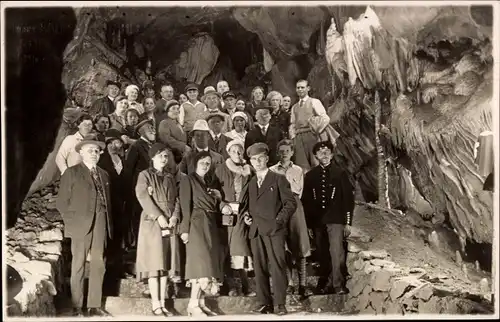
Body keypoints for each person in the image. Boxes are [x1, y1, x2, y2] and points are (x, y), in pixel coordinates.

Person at [56, 134, 113, 317]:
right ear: (80, 152)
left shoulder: (104, 174)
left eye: (97, 151)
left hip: (101, 221)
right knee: (78, 264)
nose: (94, 153)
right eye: (90, 150)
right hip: (80, 224)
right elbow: (62, 203)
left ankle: (94, 305)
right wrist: (71, 224)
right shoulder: (72, 172)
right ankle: (77, 306)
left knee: (98, 263)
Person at [240, 143, 296, 316]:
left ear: (266, 159)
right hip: (256, 231)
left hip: (274, 231)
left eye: (260, 158)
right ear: (250, 162)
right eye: (254, 159)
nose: (257, 162)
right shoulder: (251, 183)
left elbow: (290, 203)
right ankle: (264, 302)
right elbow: (250, 206)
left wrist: (279, 221)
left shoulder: (278, 178)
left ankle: (280, 304)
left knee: (278, 266)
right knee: (259, 267)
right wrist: (247, 217)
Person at [302, 141, 354, 295]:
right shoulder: (311, 175)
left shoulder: (340, 173)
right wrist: (309, 224)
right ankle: (324, 284)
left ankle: (338, 285)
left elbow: (348, 200)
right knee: (322, 253)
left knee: (337, 252)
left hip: (336, 220)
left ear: (332, 154)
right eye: (320, 152)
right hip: (318, 222)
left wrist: (348, 222)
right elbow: (307, 201)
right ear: (316, 156)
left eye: (327, 152)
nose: (323, 155)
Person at [135, 143, 181, 317]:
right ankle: (155, 305)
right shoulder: (145, 175)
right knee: (155, 264)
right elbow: (142, 196)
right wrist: (158, 216)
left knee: (165, 265)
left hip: (169, 222)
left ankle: (163, 304)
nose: (164, 159)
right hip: (153, 223)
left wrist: (174, 216)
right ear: (152, 157)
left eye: (166, 156)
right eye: (160, 155)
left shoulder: (170, 177)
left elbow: (176, 198)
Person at [179, 151, 225, 317]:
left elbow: (215, 204)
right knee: (200, 264)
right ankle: (192, 304)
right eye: (203, 162)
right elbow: (185, 206)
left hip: (210, 224)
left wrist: (219, 198)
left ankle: (200, 302)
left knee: (208, 265)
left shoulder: (210, 182)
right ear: (196, 163)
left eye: (208, 163)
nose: (206, 165)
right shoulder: (188, 180)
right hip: (196, 224)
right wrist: (184, 230)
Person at [269, 139, 312, 299]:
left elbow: (299, 192)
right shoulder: (272, 170)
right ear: (277, 153)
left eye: (287, 151)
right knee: (283, 245)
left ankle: (303, 284)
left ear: (292, 152)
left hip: (295, 206)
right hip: (278, 206)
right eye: (281, 151)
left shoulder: (298, 170)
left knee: (300, 245)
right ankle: (289, 283)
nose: (284, 154)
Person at [214, 140, 256, 297]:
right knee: (228, 250)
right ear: (228, 153)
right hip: (227, 216)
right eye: (233, 151)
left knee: (242, 250)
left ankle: (245, 286)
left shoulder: (249, 170)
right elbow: (214, 192)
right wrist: (222, 204)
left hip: (245, 214)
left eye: (239, 151)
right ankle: (230, 285)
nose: (237, 154)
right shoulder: (221, 169)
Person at [289, 79, 339, 173]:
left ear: (308, 88)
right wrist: (293, 137)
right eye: (298, 88)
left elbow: (325, 118)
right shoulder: (294, 107)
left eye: (302, 87)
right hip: (299, 138)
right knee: (302, 166)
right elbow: (292, 124)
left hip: (313, 137)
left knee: (317, 163)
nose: (300, 89)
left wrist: (316, 129)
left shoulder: (314, 102)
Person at [123, 119, 156, 251]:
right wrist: (131, 192)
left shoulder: (153, 146)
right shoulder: (136, 146)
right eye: (149, 128)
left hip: (152, 189)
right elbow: (128, 170)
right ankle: (140, 248)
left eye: (153, 127)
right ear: (140, 131)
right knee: (139, 218)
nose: (153, 129)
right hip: (139, 190)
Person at [97, 129, 126, 275]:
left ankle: (117, 266)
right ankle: (107, 267)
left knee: (119, 233)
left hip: (120, 202)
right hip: (107, 202)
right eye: (118, 142)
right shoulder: (102, 160)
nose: (120, 145)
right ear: (110, 142)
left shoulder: (120, 158)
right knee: (107, 235)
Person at [179, 120, 224, 187]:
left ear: (208, 136)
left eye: (203, 135)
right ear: (193, 137)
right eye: (197, 135)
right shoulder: (187, 157)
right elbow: (181, 179)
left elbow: (224, 180)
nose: (200, 138)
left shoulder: (218, 158)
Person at [158, 100, 191, 164]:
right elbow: (167, 139)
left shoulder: (179, 124)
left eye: (177, 109)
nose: (176, 111)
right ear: (167, 111)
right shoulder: (164, 123)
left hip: (183, 155)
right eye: (173, 108)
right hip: (172, 156)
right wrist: (183, 146)